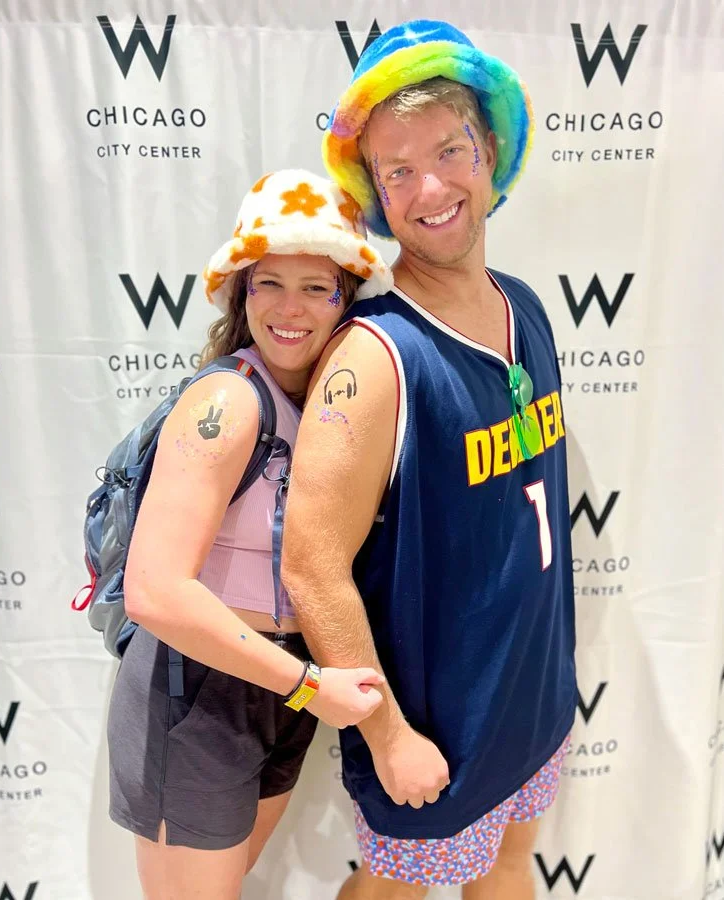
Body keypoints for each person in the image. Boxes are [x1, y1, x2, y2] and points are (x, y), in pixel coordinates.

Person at [281, 21, 578, 899]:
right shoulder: (375, 357)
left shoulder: (525, 306)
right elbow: (312, 565)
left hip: (533, 695)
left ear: (488, 152)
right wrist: (387, 736)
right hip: (433, 733)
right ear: (373, 192)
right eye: (398, 170)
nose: (431, 188)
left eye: (449, 151)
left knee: (513, 869)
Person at [106, 169, 394, 900]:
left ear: (345, 301)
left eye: (315, 287)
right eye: (269, 283)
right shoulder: (229, 402)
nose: (289, 308)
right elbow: (154, 591)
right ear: (241, 293)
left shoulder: (324, 405)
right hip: (197, 692)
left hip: (282, 685)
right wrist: (306, 688)